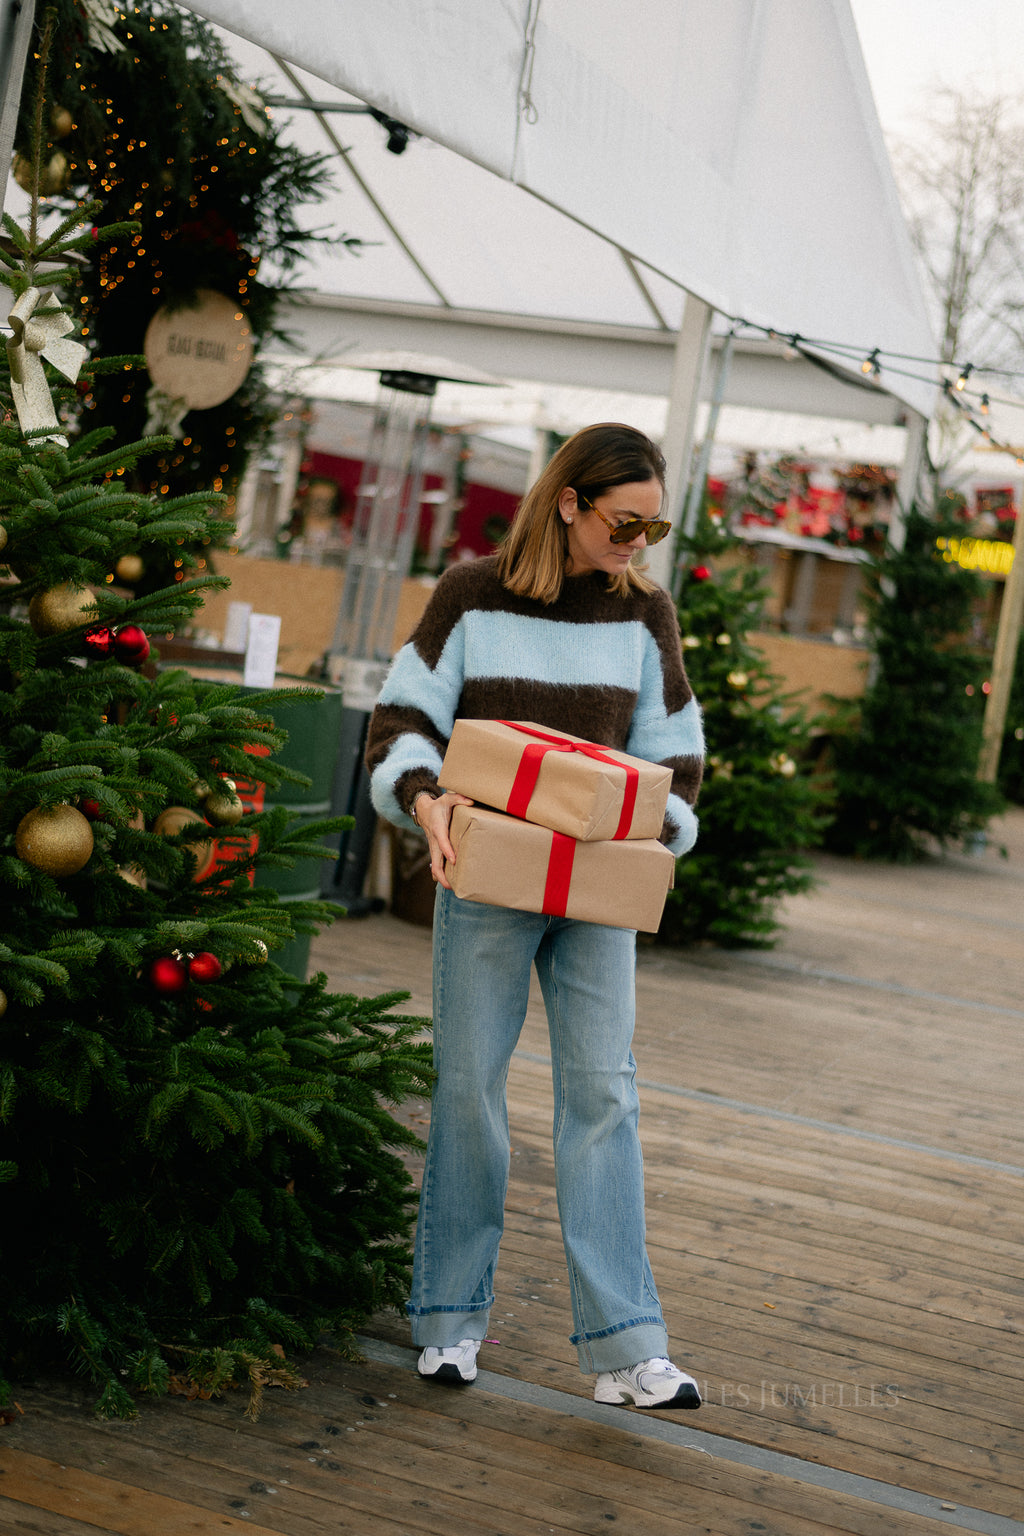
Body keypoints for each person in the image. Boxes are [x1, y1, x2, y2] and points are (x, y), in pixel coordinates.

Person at [365, 423, 705, 1411]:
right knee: (469, 1090)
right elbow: (402, 720)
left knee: (603, 1098)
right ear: (568, 502)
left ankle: (625, 1348)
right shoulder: (471, 596)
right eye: (623, 520)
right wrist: (425, 801)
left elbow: (673, 757)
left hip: (597, 893)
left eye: (654, 524)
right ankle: (447, 1321)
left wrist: (654, 833)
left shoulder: (645, 614)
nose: (638, 542)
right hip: (487, 879)